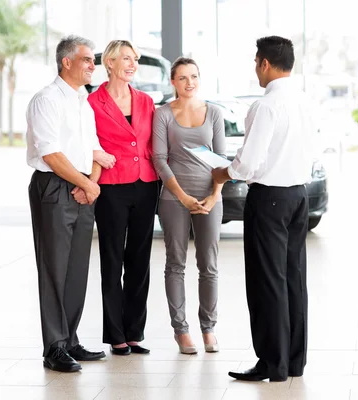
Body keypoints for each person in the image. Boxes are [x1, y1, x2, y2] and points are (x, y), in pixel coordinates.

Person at [212, 36, 313, 382]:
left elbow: (248, 165)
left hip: (269, 199)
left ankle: (273, 363)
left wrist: (222, 172)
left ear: (265, 63)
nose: (256, 69)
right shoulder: (303, 101)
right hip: (299, 196)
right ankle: (293, 361)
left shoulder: (265, 105)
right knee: (293, 279)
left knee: (267, 282)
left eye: (256, 62)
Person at [26, 35, 108, 372]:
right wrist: (85, 182)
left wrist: (91, 184)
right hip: (55, 187)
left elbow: (96, 150)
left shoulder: (83, 102)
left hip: (82, 187)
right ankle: (54, 347)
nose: (93, 66)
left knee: (76, 269)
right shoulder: (47, 100)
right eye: (88, 60)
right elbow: (50, 152)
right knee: (54, 269)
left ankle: (70, 339)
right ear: (67, 62)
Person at [87, 40, 159, 356]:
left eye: (135, 59)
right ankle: (115, 334)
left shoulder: (146, 101)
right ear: (110, 62)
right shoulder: (92, 102)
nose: (132, 64)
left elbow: (154, 142)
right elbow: (79, 139)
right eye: (126, 59)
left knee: (139, 260)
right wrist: (95, 155)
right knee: (112, 259)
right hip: (112, 186)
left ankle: (134, 332)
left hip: (146, 184)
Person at [152, 57, 226, 354]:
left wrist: (215, 195)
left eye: (194, 76)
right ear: (173, 81)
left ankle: (208, 328)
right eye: (182, 78)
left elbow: (221, 160)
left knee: (209, 266)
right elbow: (159, 159)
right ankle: (181, 330)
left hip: (209, 196)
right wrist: (181, 196)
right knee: (176, 264)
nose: (189, 82)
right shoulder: (163, 114)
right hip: (173, 198)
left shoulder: (214, 113)